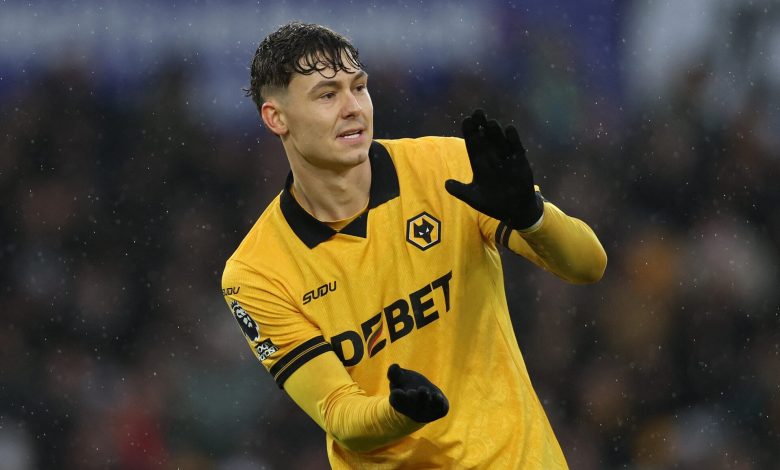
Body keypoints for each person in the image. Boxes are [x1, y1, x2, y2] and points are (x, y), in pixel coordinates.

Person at [221, 21, 607, 469]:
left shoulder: (445, 167)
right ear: (276, 117)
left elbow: (588, 265)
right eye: (327, 95)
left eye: (359, 87)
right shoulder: (256, 273)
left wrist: (532, 217)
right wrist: (399, 411)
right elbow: (339, 415)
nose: (353, 108)